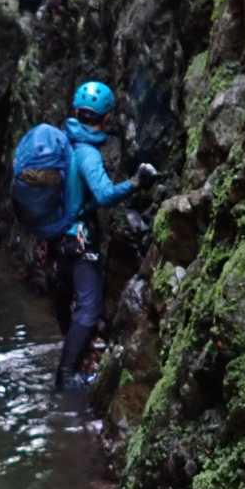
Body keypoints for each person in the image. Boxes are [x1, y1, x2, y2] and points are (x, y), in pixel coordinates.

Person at [52, 79, 156, 390]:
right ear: (107, 118)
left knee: (66, 300)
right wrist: (136, 182)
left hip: (56, 236)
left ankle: (75, 360)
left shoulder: (63, 142)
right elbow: (104, 194)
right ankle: (67, 377)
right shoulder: (87, 153)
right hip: (79, 239)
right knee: (89, 308)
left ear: (75, 111)